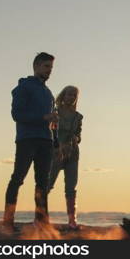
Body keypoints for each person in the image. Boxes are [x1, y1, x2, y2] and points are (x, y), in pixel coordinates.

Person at [3, 52, 58, 232]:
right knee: (18, 178)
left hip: (46, 141)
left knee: (43, 182)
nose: (49, 71)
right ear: (36, 66)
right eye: (46, 66)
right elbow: (17, 115)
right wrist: (43, 117)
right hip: (27, 139)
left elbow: (51, 121)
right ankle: (8, 222)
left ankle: (42, 222)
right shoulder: (24, 87)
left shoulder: (49, 93)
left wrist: (55, 140)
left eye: (51, 67)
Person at [48, 85, 83, 230]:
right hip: (55, 152)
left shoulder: (78, 116)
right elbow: (50, 130)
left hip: (72, 153)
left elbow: (79, 135)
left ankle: (72, 220)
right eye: (69, 94)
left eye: (74, 95)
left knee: (71, 187)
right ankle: (40, 216)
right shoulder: (54, 112)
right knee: (47, 184)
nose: (72, 97)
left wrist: (76, 138)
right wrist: (58, 146)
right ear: (63, 96)